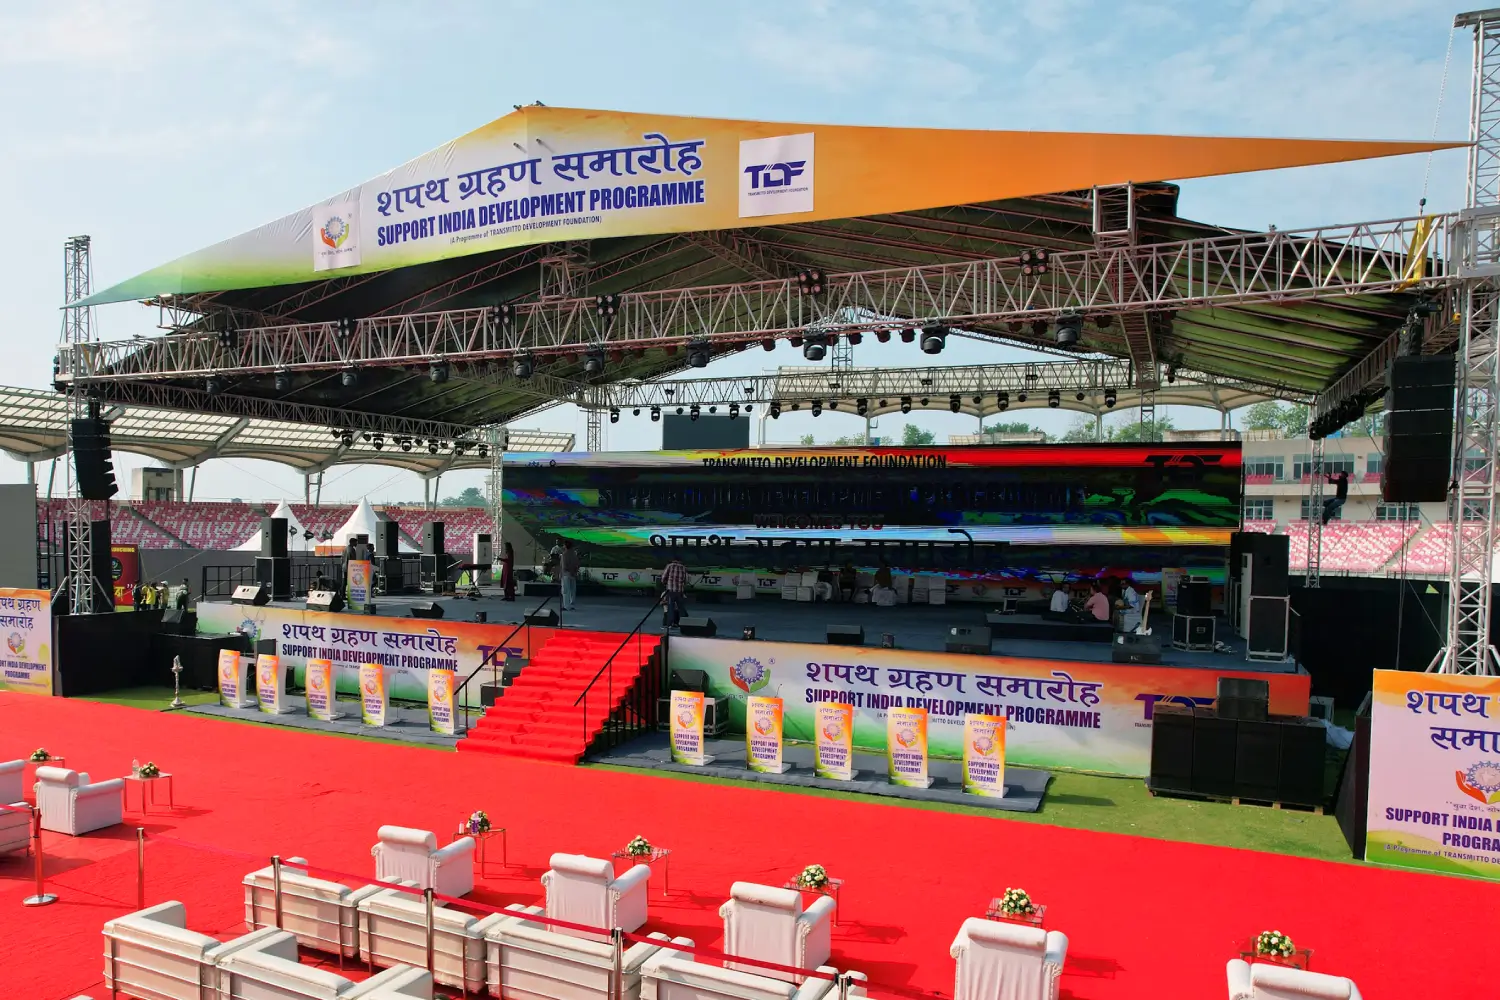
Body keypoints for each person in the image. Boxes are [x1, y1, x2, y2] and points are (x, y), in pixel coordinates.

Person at [661, 554, 688, 629]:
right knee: (681, 607)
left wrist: (665, 582)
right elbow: (686, 580)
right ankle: (684, 623)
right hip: (680, 591)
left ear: (673, 560)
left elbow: (663, 577)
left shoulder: (669, 566)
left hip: (671, 590)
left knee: (671, 607)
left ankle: (669, 624)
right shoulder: (683, 567)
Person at [558, 539, 580, 611]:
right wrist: (574, 571)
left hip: (566, 574)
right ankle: (572, 605)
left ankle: (566, 606)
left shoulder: (564, 555)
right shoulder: (574, 554)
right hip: (573, 574)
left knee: (565, 591)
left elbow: (564, 567)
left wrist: (560, 574)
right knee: (572, 590)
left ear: (565, 546)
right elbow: (577, 564)